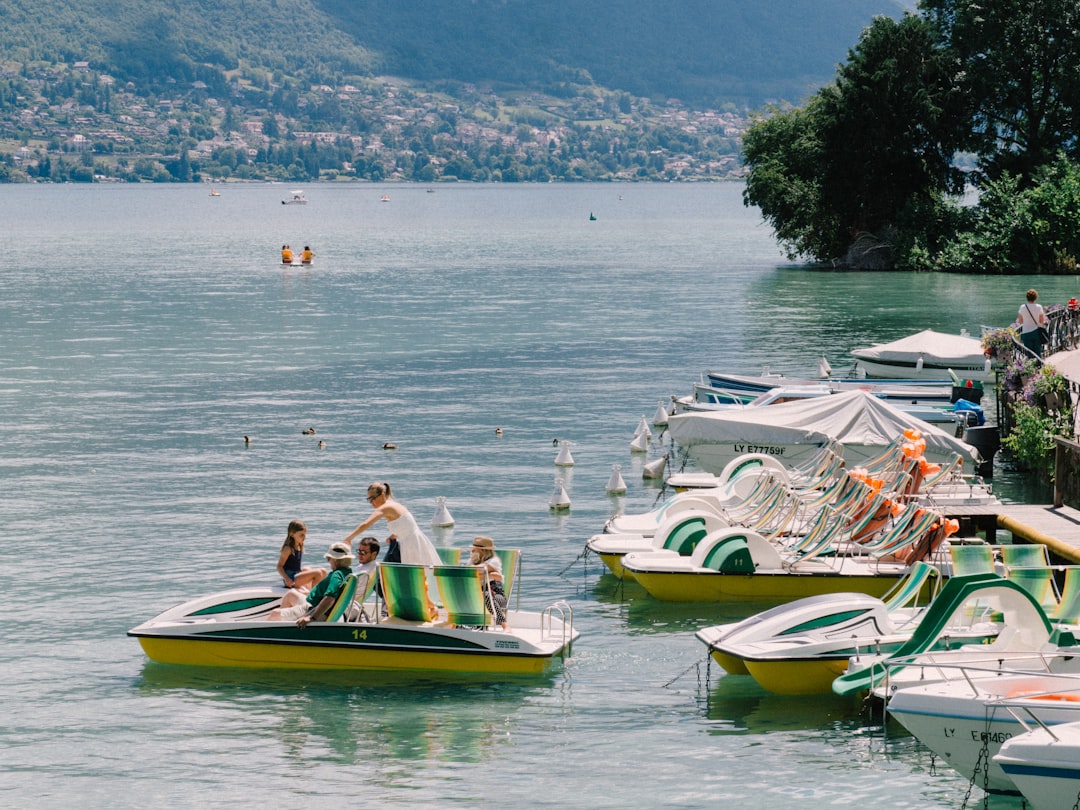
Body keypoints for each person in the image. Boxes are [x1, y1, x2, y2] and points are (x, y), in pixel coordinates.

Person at [345, 482, 440, 615]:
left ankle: (431, 607)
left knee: (414, 577)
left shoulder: (386, 507)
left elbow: (365, 524)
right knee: (417, 576)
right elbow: (405, 524)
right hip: (412, 541)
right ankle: (430, 606)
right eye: (369, 499)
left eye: (373, 498)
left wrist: (349, 538)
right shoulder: (396, 506)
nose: (371, 502)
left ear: (382, 494)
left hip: (411, 544)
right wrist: (394, 535)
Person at [268, 542, 353, 626]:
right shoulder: (347, 573)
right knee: (291, 594)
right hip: (312, 603)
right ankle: (286, 623)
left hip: (312, 609)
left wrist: (312, 618)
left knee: (275, 614)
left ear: (335, 560)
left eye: (328, 558)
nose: (328, 561)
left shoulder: (336, 575)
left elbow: (330, 598)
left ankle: (279, 626)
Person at [469, 535, 509, 630]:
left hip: (498, 598)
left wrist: (485, 574)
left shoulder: (494, 561)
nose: (472, 551)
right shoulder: (472, 561)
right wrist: (490, 575)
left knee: (485, 595)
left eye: (475, 549)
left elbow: (479, 569)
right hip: (478, 595)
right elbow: (470, 571)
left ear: (482, 551)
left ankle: (505, 625)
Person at [275, 520, 327, 591]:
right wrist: (286, 578)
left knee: (323, 571)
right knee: (317, 573)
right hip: (291, 579)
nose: (304, 537)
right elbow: (279, 566)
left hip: (297, 574)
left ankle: (317, 590)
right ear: (292, 534)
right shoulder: (288, 549)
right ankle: (313, 596)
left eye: (305, 534)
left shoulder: (299, 545)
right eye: (301, 535)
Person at [1018, 288, 1047, 356]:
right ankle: (1039, 365)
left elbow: (1020, 321)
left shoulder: (1022, 307)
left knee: (1029, 354)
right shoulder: (1039, 307)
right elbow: (1041, 321)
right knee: (1038, 352)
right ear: (1036, 297)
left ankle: (1031, 366)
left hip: (1026, 332)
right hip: (1037, 332)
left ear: (1027, 297)